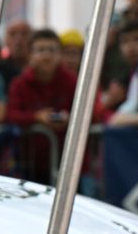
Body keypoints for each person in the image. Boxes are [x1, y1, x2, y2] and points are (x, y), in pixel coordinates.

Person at [6, 29, 108, 182]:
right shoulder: (20, 84)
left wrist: (70, 119)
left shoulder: (73, 81)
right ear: (30, 54)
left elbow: (91, 113)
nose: (46, 56)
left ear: (60, 54)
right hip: (30, 165)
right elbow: (11, 114)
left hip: (71, 164)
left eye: (52, 50)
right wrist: (36, 117)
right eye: (40, 50)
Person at [0, 19, 31, 84]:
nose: (18, 40)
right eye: (12, 34)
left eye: (24, 34)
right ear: (5, 40)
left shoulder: (41, 70)